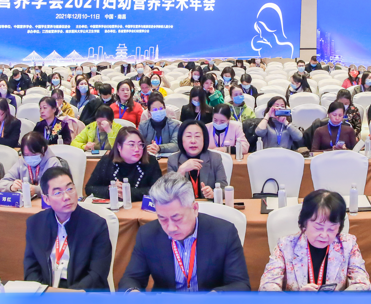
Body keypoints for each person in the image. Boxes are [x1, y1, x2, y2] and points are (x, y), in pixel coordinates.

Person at [119, 172, 251, 291]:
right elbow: (131, 279)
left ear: (195, 208)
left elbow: (240, 284)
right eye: (162, 218)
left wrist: (214, 297)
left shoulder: (224, 232)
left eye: (177, 218)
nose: (171, 228)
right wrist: (133, 294)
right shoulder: (147, 234)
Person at [259, 190, 370, 291]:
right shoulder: (285, 246)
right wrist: (297, 298)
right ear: (304, 223)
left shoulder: (348, 245)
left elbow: (363, 285)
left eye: (331, 229)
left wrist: (337, 300)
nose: (324, 235)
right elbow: (266, 287)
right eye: (318, 228)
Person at [23, 167, 111, 290]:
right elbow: (31, 269)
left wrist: (68, 296)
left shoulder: (96, 225)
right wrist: (45, 293)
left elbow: (97, 274)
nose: (66, 197)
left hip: (83, 293)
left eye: (70, 189)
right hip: (48, 291)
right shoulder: (35, 223)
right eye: (58, 193)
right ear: (47, 199)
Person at [85, 127, 163, 201]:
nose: (137, 149)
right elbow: (89, 188)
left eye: (140, 144)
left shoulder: (150, 162)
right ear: (119, 146)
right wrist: (110, 190)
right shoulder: (106, 161)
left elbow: (158, 191)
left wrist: (129, 192)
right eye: (131, 144)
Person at [167, 119, 227, 199]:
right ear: (181, 139)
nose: (193, 141)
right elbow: (169, 193)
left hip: (208, 205)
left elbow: (224, 189)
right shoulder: (173, 160)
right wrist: (181, 171)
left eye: (197, 136)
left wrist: (214, 193)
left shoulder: (215, 158)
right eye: (188, 136)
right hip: (184, 206)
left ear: (204, 139)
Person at [0, 132, 66, 196]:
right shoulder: (21, 162)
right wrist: (11, 186)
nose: (30, 157)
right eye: (26, 155)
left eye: (33, 154)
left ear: (42, 149)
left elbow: (58, 188)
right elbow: (1, 184)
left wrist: (36, 190)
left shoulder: (53, 163)